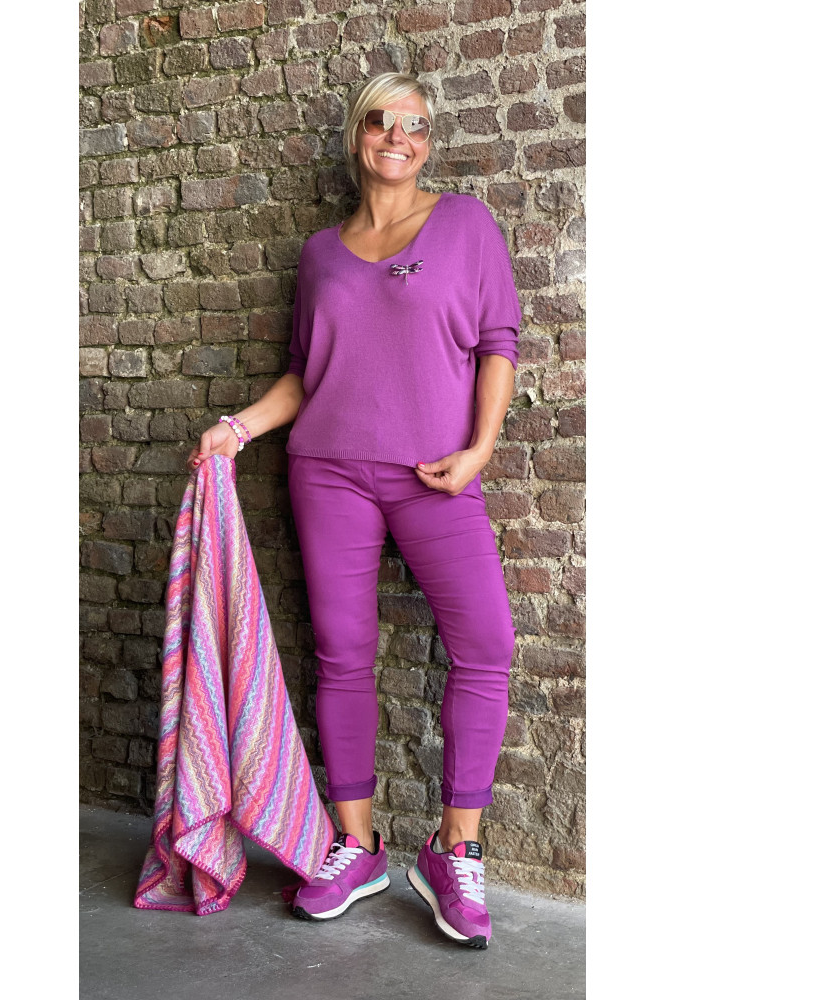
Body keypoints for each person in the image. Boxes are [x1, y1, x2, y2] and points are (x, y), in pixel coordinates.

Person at [185, 72, 520, 950]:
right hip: (329, 473)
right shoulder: (320, 254)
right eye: (383, 121)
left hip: (436, 475)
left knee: (486, 644)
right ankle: (357, 844)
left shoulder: (466, 225)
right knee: (342, 656)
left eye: (417, 125)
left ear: (429, 142)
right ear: (357, 135)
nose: (399, 137)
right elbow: (308, 374)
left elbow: (498, 344)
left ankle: (455, 849)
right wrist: (236, 429)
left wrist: (480, 450)